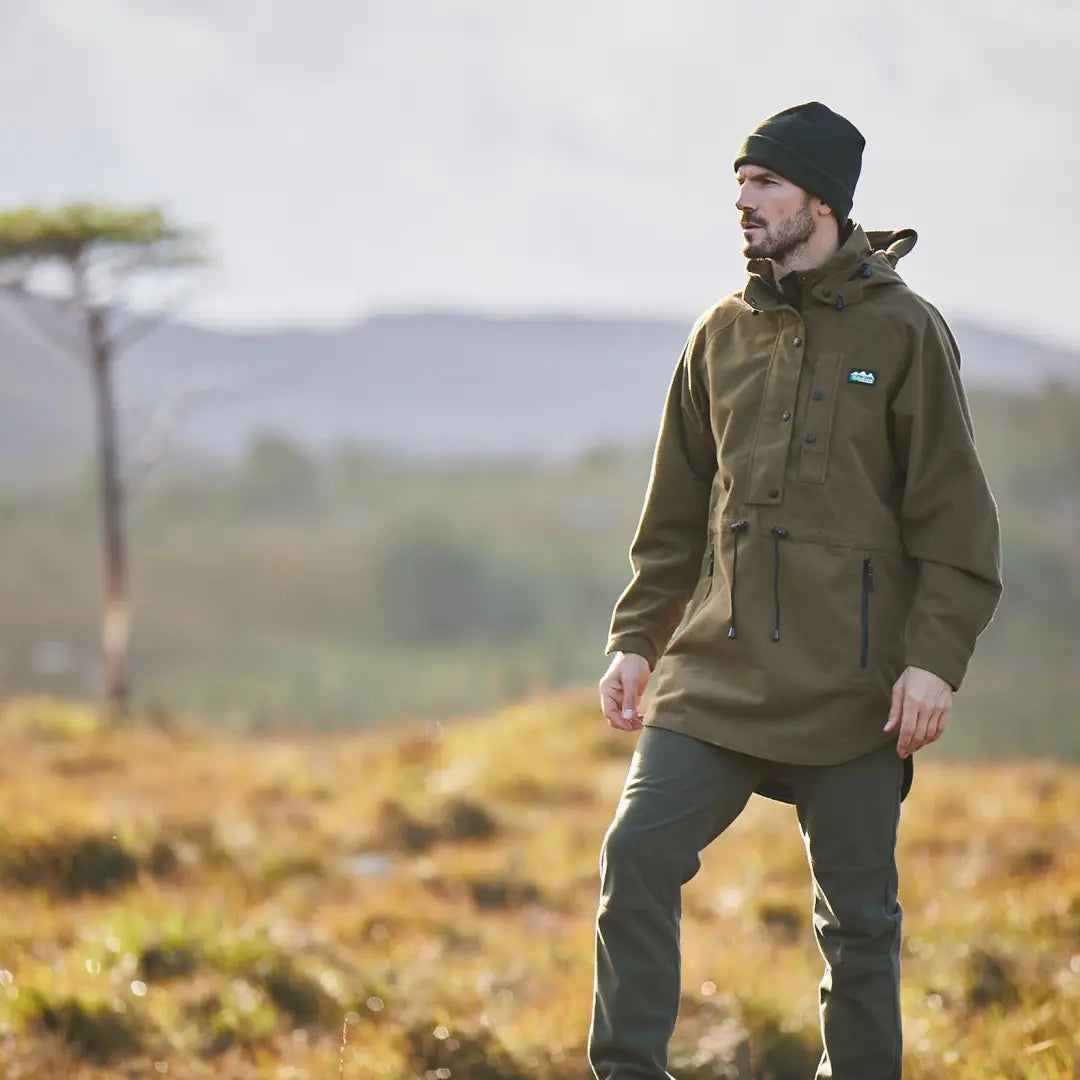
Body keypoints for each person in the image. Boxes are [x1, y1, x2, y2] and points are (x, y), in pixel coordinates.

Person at [589, 101, 1002, 1080]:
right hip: (717, 672)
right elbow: (675, 519)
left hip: (855, 688)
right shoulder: (719, 336)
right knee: (634, 860)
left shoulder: (905, 333)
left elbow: (957, 527)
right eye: (739, 182)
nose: (743, 200)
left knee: (859, 922)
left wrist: (932, 665)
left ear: (822, 199)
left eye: (765, 182)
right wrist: (637, 639)